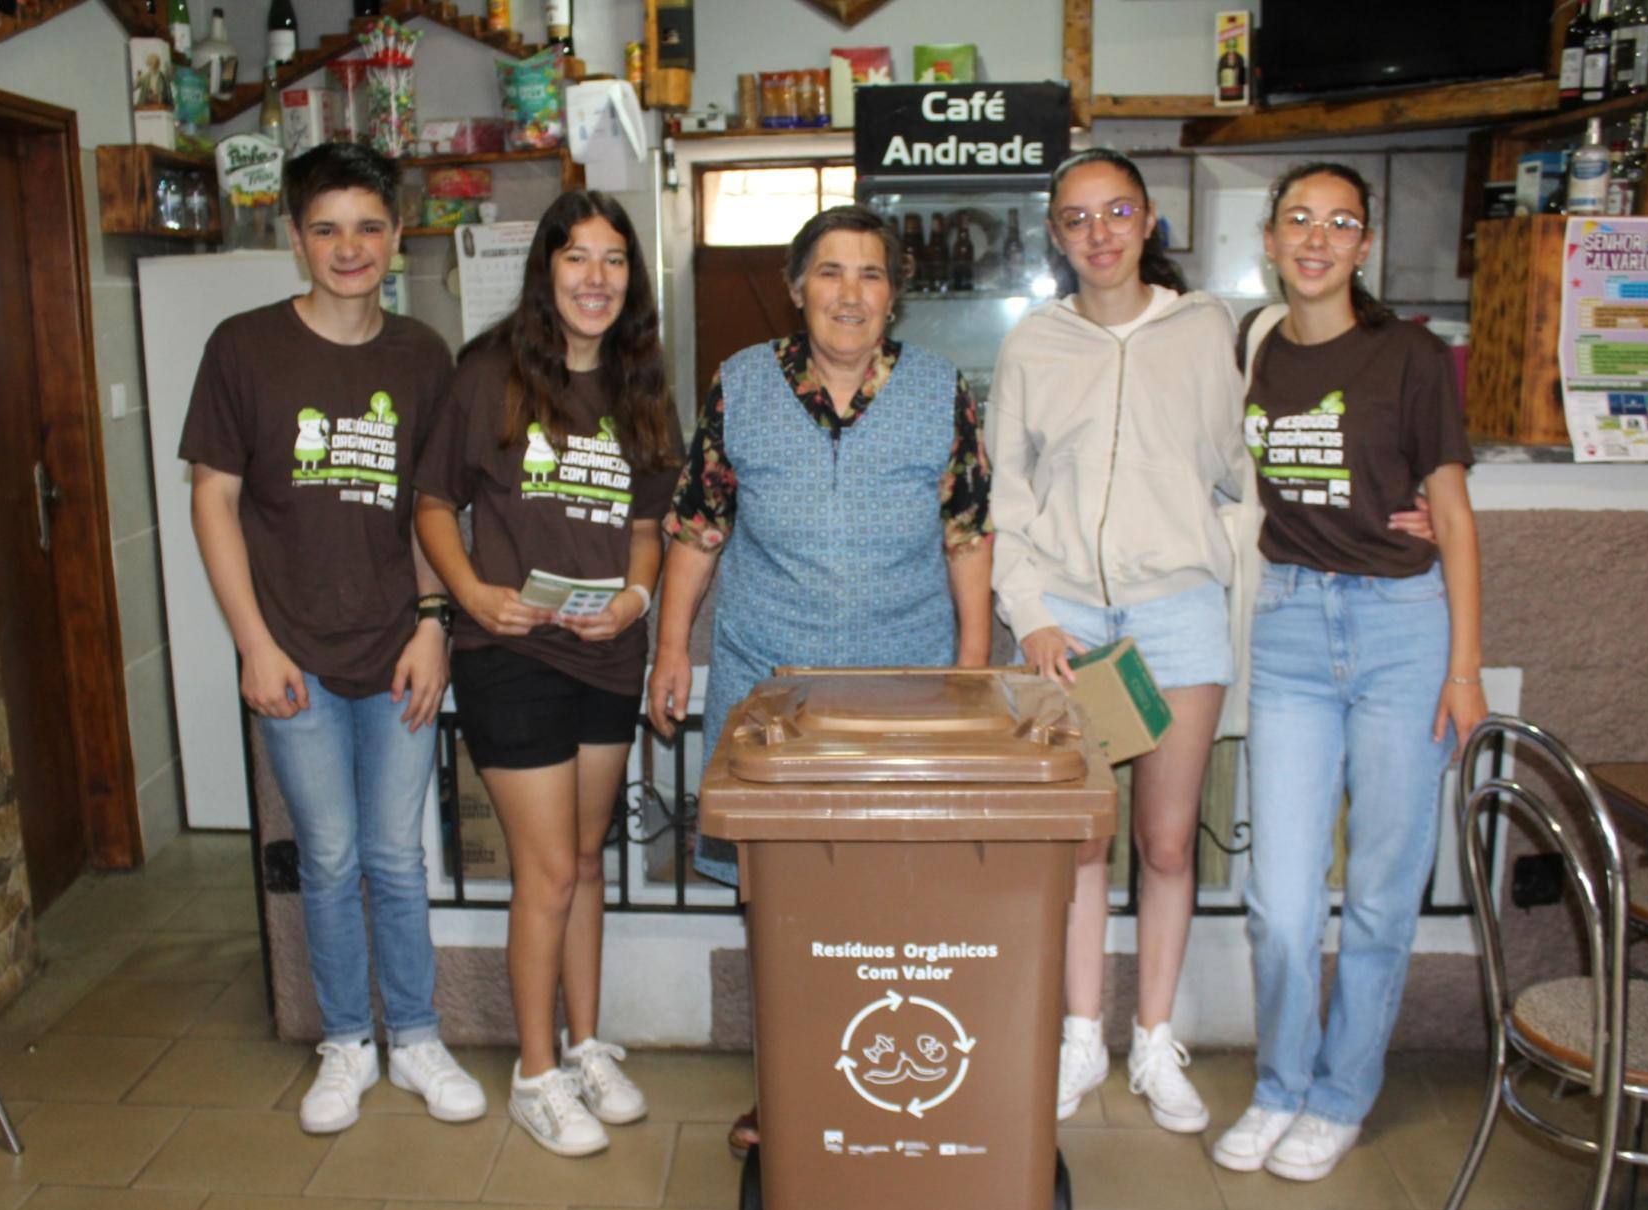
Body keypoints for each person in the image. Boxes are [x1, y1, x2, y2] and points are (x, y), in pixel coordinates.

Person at [647, 203, 994, 1153]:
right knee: (781, 898)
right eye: (831, 272)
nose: (851, 293)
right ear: (799, 287)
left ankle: (890, 1078)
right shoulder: (741, 384)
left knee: (893, 896)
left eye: (872, 274)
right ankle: (787, 1084)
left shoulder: (938, 389)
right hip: (773, 688)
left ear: (895, 297)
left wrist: (971, 668)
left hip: (906, 686)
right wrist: (672, 649)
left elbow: (966, 531)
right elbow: (697, 525)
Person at [183, 142, 484, 1136]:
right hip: (294, 654)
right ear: (294, 239)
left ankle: (417, 1036)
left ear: (395, 238)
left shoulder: (422, 355)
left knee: (397, 858)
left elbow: (435, 510)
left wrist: (434, 626)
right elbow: (213, 502)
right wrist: (251, 644)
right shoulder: (243, 347)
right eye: (325, 228)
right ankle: (345, 1042)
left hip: (397, 645)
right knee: (328, 855)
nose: (347, 248)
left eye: (366, 226)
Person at [1212, 162, 1485, 1181]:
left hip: (1401, 632)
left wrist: (1461, 671)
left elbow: (1452, 515)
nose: (1315, 238)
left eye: (1338, 223)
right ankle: (1278, 1083)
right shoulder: (1253, 347)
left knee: (1375, 887)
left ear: (1363, 244)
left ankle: (1337, 1096)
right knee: (1279, 899)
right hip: (1286, 626)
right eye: (1297, 220)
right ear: (1270, 239)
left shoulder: (1409, 355)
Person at [413, 190, 682, 1158]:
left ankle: (583, 1043)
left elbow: (648, 526)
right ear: (547, 270)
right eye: (577, 258)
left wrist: (637, 601)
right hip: (511, 652)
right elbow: (435, 505)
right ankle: (534, 1076)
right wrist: (470, 600)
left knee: (584, 865)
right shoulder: (487, 375)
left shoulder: (640, 384)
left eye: (613, 261)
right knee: (547, 872)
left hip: (606, 653)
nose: (595, 278)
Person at [989, 148, 1250, 1132]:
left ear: (1147, 224)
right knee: (1083, 840)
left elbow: (1236, 466)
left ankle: (1153, 1041)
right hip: (1068, 622)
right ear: (1053, 238)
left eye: (1115, 212)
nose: (1097, 233)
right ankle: (1078, 1040)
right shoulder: (1032, 347)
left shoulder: (1201, 329)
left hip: (1175, 609)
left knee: (1168, 839)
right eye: (1074, 218)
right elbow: (1006, 506)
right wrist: (1033, 615)